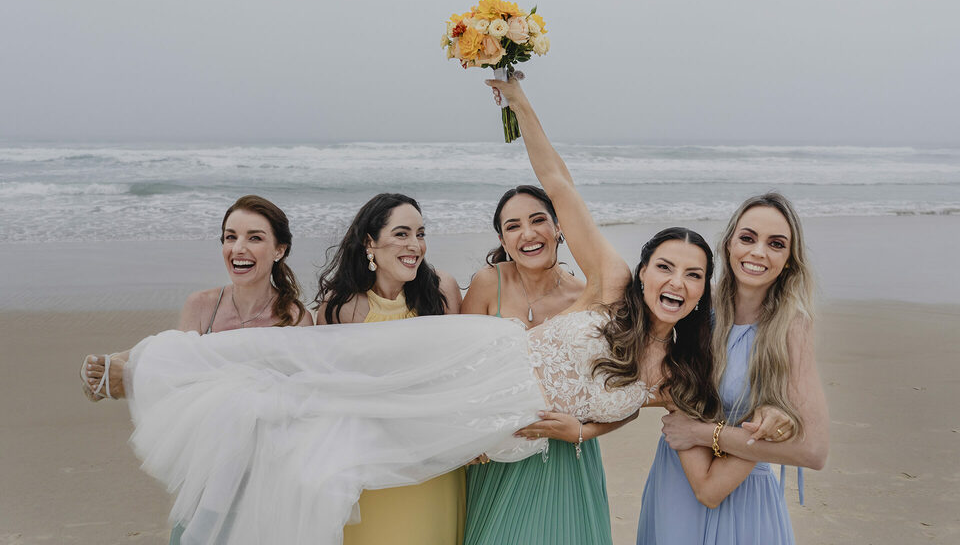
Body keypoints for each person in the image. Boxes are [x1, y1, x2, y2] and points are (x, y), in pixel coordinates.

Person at [80, 77, 739, 544]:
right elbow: (559, 185)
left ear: (703, 290)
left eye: (691, 276)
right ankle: (149, 369)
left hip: (497, 431)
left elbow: (640, 412)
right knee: (323, 369)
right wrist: (520, 102)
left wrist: (584, 432)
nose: (674, 283)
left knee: (355, 442)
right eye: (665, 267)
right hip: (478, 359)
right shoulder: (611, 286)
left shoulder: (674, 372)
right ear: (644, 270)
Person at [636, 193, 830, 545]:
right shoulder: (697, 303)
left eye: (775, 244)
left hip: (745, 492)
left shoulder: (792, 326)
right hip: (677, 481)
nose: (758, 252)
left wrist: (703, 433)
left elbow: (813, 451)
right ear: (728, 244)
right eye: (747, 238)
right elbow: (651, 365)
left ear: (789, 259)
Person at [461, 185, 635, 545]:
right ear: (502, 239)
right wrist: (469, 436)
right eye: (513, 226)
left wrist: (583, 432)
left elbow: (629, 396)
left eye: (538, 220)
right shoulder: (487, 283)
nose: (527, 233)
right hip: (499, 455)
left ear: (558, 227)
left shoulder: (586, 297)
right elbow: (463, 372)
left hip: (566, 454)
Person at [313, 192, 463, 545]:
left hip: (436, 462)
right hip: (375, 466)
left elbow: (461, 374)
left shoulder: (442, 289)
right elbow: (335, 399)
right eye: (401, 234)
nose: (415, 245)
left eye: (420, 234)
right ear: (370, 242)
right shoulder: (341, 309)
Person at [81, 194, 311, 402]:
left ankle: (127, 379)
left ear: (279, 250)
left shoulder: (295, 319)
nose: (238, 248)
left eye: (255, 238)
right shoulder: (202, 305)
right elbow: (175, 361)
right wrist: (109, 363)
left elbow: (298, 394)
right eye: (231, 237)